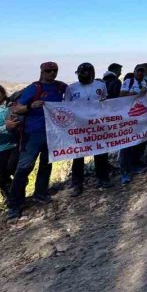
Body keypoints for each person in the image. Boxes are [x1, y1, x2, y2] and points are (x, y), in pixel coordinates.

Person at [6, 62, 67, 220]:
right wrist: (30, 106)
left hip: (52, 132)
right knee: (24, 168)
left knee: (46, 165)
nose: (52, 73)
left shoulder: (60, 87)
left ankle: (40, 193)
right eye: (48, 71)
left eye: (55, 71)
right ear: (42, 71)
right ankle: (14, 205)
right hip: (32, 134)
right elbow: (17, 108)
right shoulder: (34, 88)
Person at [64, 63, 111, 196]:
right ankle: (76, 184)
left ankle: (103, 179)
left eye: (82, 73)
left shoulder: (100, 86)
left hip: (97, 125)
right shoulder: (71, 88)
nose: (80, 76)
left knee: (101, 152)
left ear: (91, 73)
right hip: (79, 126)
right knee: (78, 155)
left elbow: (105, 102)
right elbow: (67, 106)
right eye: (78, 73)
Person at [119, 64, 147, 183]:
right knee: (126, 145)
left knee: (140, 142)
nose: (140, 73)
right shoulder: (129, 81)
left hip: (142, 118)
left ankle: (136, 165)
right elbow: (121, 96)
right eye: (139, 71)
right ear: (135, 71)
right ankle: (125, 172)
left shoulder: (146, 83)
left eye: (143, 72)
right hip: (127, 118)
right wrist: (138, 94)